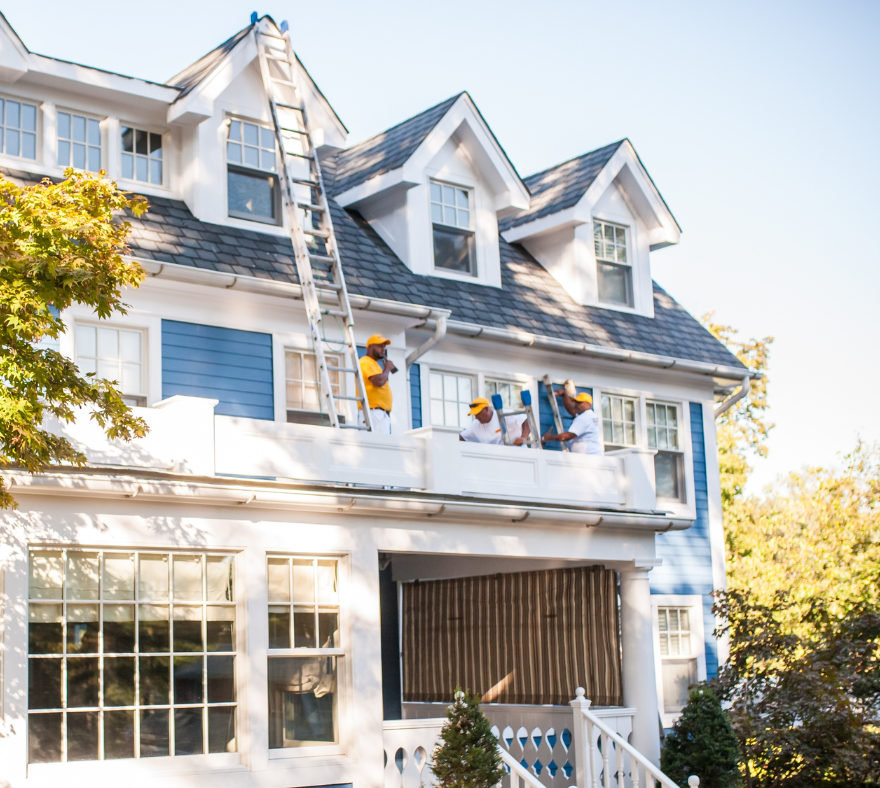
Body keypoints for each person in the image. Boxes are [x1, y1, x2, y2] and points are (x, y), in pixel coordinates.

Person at [357, 334, 396, 434]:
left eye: (384, 346)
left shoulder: (374, 364)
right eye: (380, 346)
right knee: (377, 446)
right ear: (369, 347)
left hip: (378, 414)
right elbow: (379, 381)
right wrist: (387, 368)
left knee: (380, 446)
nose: (383, 349)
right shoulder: (366, 361)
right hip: (373, 413)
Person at [459, 397, 531, 446]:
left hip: (518, 455)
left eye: (478, 413)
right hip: (496, 460)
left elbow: (526, 420)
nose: (476, 417)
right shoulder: (475, 425)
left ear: (487, 409)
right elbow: (462, 437)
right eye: (475, 414)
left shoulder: (503, 415)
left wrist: (523, 438)